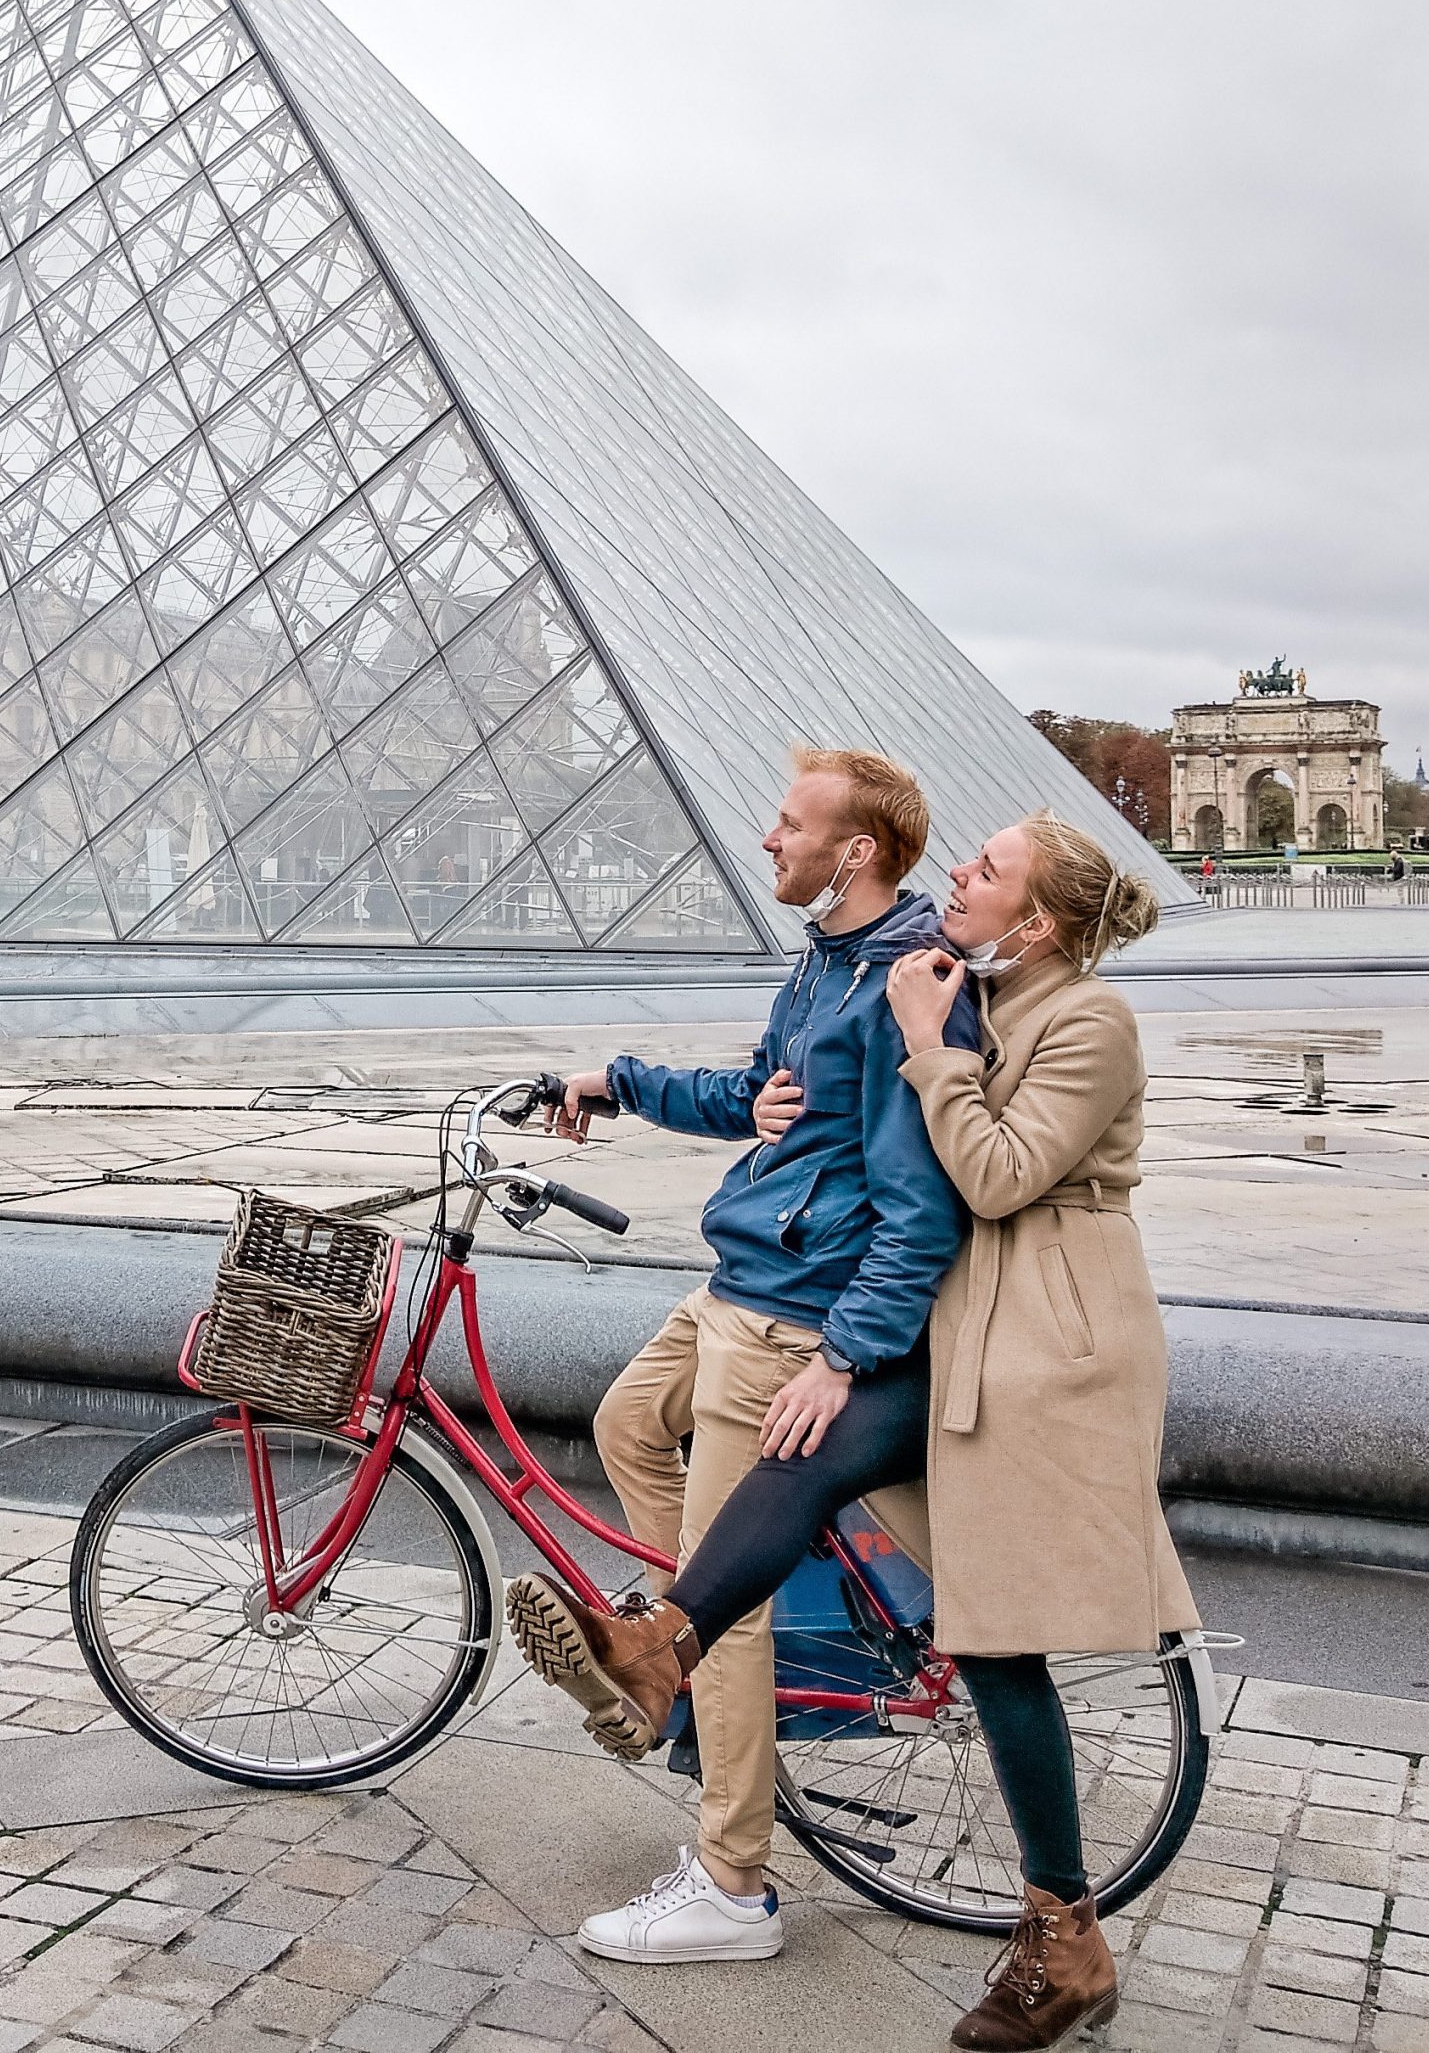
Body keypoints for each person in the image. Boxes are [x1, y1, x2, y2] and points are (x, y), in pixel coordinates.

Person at [624, 810, 1197, 2049]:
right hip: (960, 1331)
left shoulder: (1089, 1018)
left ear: (1036, 921)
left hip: (1046, 1344)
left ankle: (1063, 1937)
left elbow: (995, 1175)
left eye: (986, 871)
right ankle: (665, 1642)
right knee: (805, 1444)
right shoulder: (976, 986)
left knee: (995, 1645)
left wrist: (928, 1042)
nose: (960, 876)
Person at [504, 748, 977, 1966]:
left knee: (721, 1598)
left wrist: (846, 1352)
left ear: (855, 847)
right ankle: (668, 1643)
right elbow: (749, 1097)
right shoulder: (826, 963)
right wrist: (612, 1080)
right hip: (738, 1282)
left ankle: (730, 1874)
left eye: (788, 822)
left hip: (790, 1314)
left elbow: (918, 1205)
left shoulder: (900, 988)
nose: (768, 839)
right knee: (623, 1420)